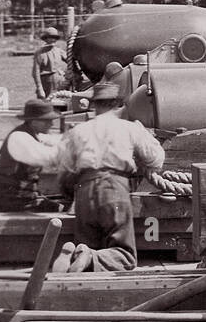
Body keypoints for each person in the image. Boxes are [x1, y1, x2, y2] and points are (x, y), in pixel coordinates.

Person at [56, 82, 166, 270]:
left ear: (94, 105)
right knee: (125, 256)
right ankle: (89, 257)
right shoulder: (130, 128)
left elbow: (64, 170)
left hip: (84, 190)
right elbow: (156, 160)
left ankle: (83, 254)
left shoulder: (77, 131)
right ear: (118, 103)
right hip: (114, 189)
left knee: (88, 244)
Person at [0, 98, 66, 212]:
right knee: (63, 210)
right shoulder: (19, 137)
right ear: (34, 122)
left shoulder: (31, 134)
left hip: (23, 198)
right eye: (47, 120)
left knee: (62, 206)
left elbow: (54, 141)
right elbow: (49, 158)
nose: (51, 124)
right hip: (10, 200)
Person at [33, 26, 68, 98]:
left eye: (55, 38)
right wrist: (40, 88)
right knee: (46, 103)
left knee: (61, 102)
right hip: (46, 83)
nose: (53, 40)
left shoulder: (59, 51)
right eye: (50, 37)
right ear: (46, 39)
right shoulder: (40, 53)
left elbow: (70, 61)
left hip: (59, 82)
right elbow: (35, 72)